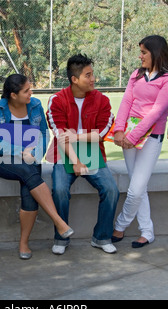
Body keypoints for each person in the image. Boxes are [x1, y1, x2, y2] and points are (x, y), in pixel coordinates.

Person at [0, 74, 74, 260]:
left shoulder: (35, 105)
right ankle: (59, 222)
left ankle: (24, 242)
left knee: (29, 188)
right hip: (5, 161)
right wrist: (21, 151)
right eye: (26, 90)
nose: (31, 93)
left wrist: (35, 155)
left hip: (31, 159)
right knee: (29, 172)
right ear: (13, 95)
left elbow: (44, 134)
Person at [46, 54, 120, 255]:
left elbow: (102, 134)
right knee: (60, 190)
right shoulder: (57, 100)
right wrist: (77, 162)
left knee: (111, 190)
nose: (93, 79)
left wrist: (77, 136)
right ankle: (61, 238)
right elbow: (61, 137)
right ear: (74, 79)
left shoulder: (102, 100)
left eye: (92, 74)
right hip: (64, 154)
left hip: (92, 152)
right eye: (88, 75)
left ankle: (101, 237)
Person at [112, 35, 168, 248]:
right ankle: (147, 231)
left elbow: (156, 112)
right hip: (128, 138)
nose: (140, 56)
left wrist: (132, 137)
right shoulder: (137, 74)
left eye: (144, 52)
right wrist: (119, 130)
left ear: (156, 53)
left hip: (150, 139)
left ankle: (120, 226)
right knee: (138, 187)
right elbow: (126, 102)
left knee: (136, 189)